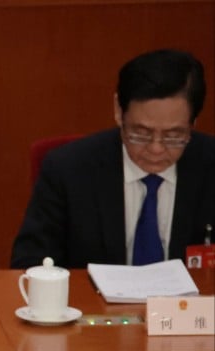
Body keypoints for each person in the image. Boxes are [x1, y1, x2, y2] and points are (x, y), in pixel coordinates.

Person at [11, 49, 214, 269]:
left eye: (174, 135)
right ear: (118, 111)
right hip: (92, 302)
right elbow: (30, 264)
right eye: (141, 133)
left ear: (193, 123)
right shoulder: (68, 169)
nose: (156, 149)